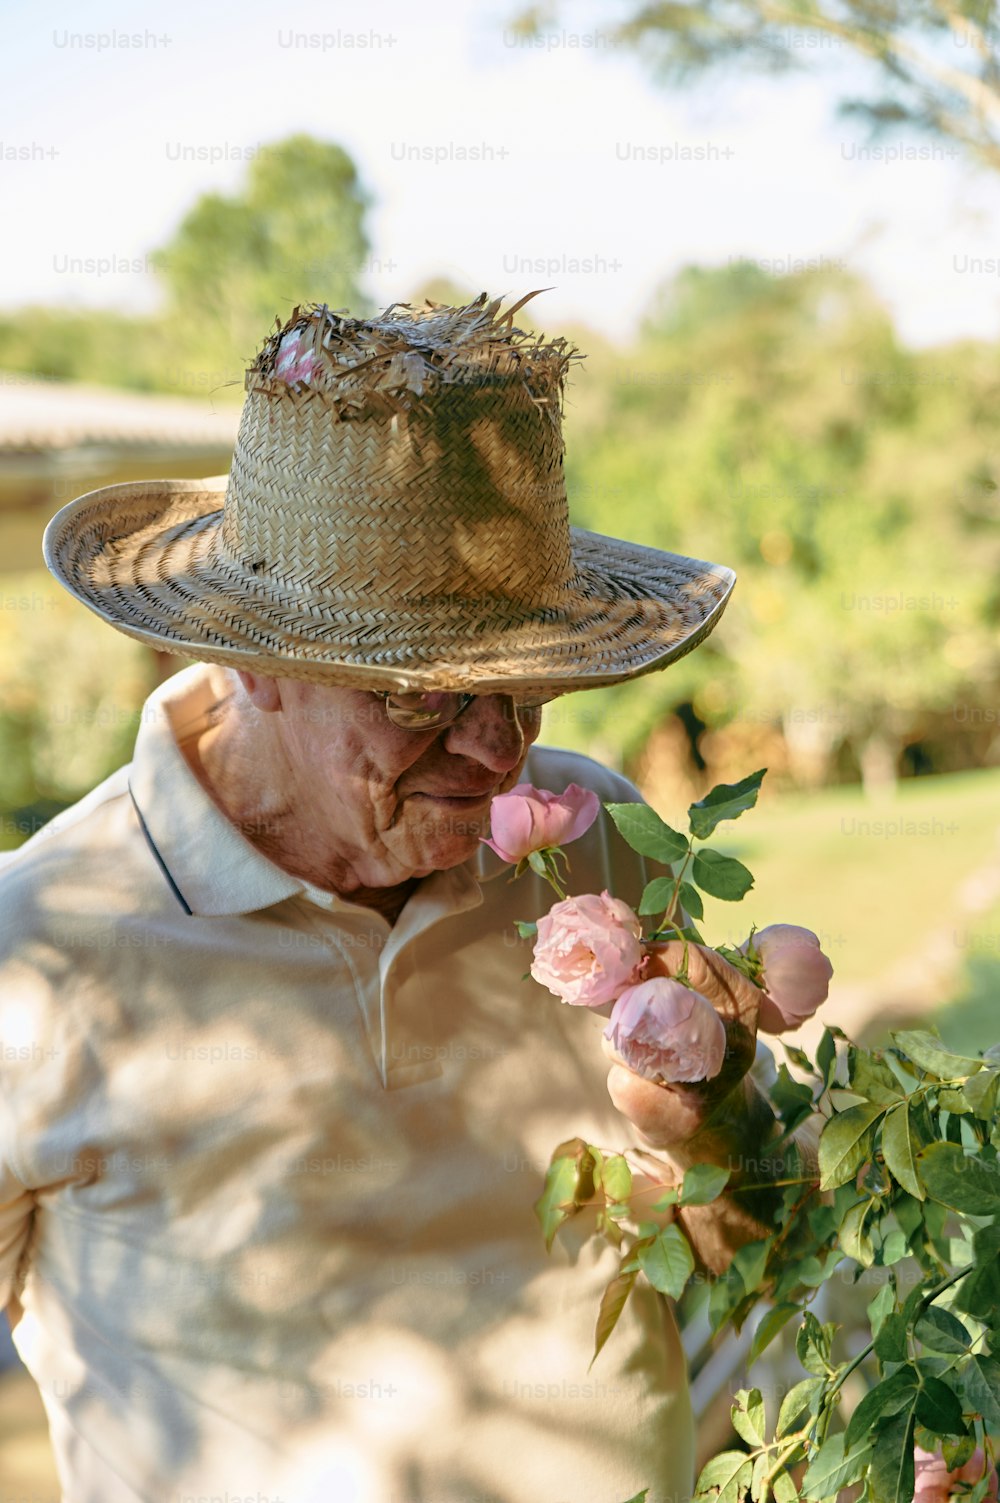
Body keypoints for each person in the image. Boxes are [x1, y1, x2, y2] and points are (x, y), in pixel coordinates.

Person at [1, 294, 795, 1503]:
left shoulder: (594, 843)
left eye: (529, 687)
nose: (497, 753)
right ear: (254, 661)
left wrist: (715, 1117)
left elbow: (759, 1252)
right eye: (423, 696)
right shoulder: (40, 951)